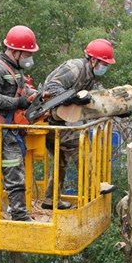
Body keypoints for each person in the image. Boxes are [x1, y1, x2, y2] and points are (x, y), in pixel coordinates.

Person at [40, 39, 116, 210]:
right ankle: (93, 187)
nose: (105, 67)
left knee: (62, 158)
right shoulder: (75, 68)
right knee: (79, 143)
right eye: (103, 63)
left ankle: (51, 200)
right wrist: (69, 97)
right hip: (44, 116)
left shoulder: (90, 76)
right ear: (93, 60)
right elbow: (51, 87)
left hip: (57, 119)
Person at [0, 25, 39, 221]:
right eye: (27, 53)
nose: (28, 58)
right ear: (15, 51)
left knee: (17, 170)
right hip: (1, 131)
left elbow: (21, 91)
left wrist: (37, 95)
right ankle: (20, 216)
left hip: (13, 130)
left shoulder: (15, 69)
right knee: (13, 172)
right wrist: (18, 103)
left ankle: (19, 212)